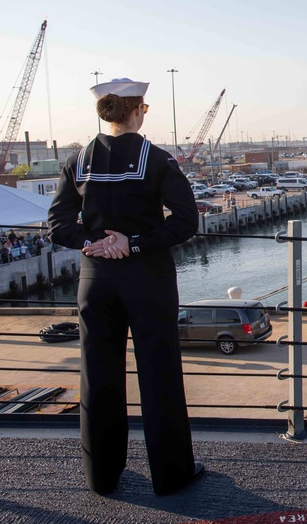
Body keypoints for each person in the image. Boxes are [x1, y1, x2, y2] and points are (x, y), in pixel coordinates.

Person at [47, 78, 203, 497]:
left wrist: (92, 243)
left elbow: (57, 222)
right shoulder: (156, 159)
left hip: (94, 279)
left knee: (97, 376)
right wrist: (132, 243)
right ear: (138, 110)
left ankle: (101, 476)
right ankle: (171, 476)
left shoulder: (77, 160)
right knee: (159, 373)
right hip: (147, 277)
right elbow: (186, 219)